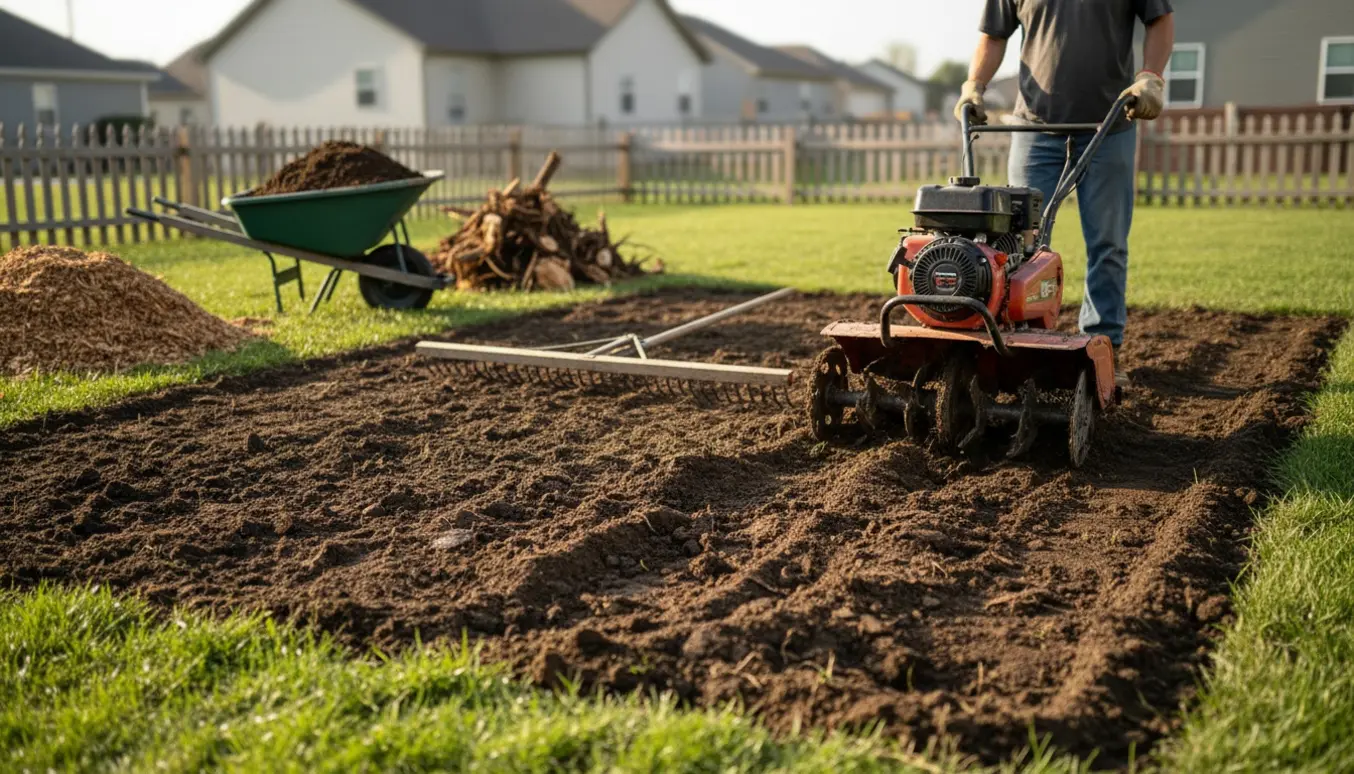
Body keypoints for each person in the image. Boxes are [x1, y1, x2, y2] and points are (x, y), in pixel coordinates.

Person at [955, 0, 1175, 376]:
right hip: (1034, 128)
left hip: (1109, 126)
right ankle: (1017, 345)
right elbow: (993, 35)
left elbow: (1160, 19)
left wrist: (1150, 76)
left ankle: (1101, 350)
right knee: (1016, 243)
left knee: (1108, 244)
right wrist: (975, 85)